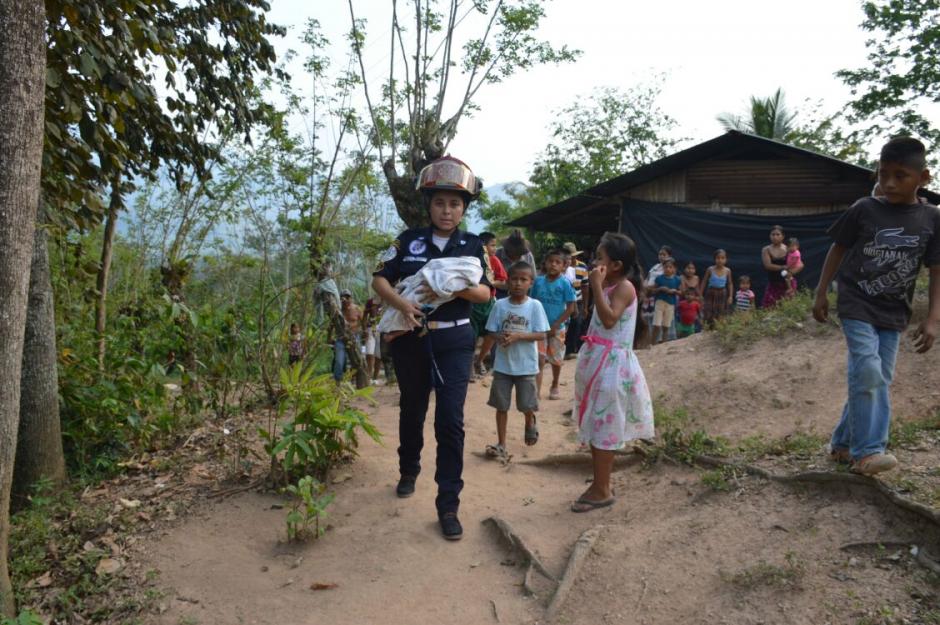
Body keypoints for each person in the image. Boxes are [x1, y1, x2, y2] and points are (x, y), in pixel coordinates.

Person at [371, 155, 491, 541]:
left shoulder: (472, 245)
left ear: (464, 208)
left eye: (455, 203)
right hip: (411, 339)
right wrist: (403, 304)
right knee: (412, 409)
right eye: (440, 202)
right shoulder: (408, 241)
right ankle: (408, 469)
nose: (447, 210)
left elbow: (486, 293)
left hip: (455, 341)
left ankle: (448, 504)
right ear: (429, 204)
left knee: (450, 421)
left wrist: (450, 285)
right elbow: (379, 279)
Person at [813, 137, 940, 476]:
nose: (889, 183)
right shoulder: (864, 209)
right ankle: (868, 451)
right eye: (883, 174)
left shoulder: (932, 218)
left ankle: (842, 443)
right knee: (868, 369)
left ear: (923, 178)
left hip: (894, 311)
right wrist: (821, 292)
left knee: (877, 376)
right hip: (856, 302)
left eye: (900, 175)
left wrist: (933, 318)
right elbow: (838, 249)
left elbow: (936, 270)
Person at [572, 232, 653, 512]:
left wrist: (595, 285)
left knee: (605, 427)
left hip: (612, 370)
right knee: (597, 424)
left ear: (616, 265)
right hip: (600, 364)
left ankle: (602, 489)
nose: (595, 263)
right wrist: (598, 286)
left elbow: (609, 321)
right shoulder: (610, 285)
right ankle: (600, 481)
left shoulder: (625, 287)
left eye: (600, 258)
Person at [476, 261, 549, 460]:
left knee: (526, 405)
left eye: (523, 279)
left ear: (531, 283)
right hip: (503, 366)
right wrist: (500, 337)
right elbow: (490, 331)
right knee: (502, 406)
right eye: (514, 279)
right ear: (507, 281)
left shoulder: (534, 306)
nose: (518, 283)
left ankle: (529, 421)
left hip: (526, 366)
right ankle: (501, 444)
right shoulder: (500, 305)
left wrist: (518, 336)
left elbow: (541, 334)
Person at [530, 248, 577, 400]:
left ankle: (555, 383)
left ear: (564, 266)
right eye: (551, 261)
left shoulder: (565, 283)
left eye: (558, 262)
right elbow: (532, 303)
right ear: (545, 263)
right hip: (539, 328)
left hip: (557, 329)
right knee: (539, 358)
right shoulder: (538, 282)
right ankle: (536, 391)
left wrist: (555, 325)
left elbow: (570, 308)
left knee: (556, 360)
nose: (553, 265)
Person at [470, 232, 507, 376]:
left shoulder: (494, 260)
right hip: (472, 303)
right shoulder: (473, 259)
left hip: (489, 302)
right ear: (483, 246)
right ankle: (469, 366)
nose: (495, 248)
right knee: (471, 335)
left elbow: (503, 281)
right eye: (492, 245)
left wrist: (490, 283)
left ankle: (479, 360)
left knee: (491, 333)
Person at [761, 225, 801, 307]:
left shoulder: (789, 249)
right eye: (773, 234)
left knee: (788, 308)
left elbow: (800, 264)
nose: (775, 237)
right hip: (773, 284)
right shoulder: (766, 250)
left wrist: (791, 272)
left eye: (778, 234)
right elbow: (768, 265)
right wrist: (783, 267)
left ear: (783, 236)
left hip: (788, 285)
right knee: (769, 308)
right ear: (770, 236)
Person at [563, 242, 590, 359]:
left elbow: (585, 287)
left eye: (574, 256)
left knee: (576, 323)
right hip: (563, 301)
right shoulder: (561, 267)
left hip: (578, 300)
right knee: (564, 325)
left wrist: (585, 306)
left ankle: (570, 350)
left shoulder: (582, 266)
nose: (572, 259)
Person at [330, 289, 363, 382]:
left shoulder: (357, 309)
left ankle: (354, 378)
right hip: (341, 338)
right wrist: (329, 337)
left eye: (348, 297)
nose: (345, 300)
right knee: (339, 361)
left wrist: (365, 332)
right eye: (343, 297)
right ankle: (338, 381)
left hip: (354, 337)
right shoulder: (337, 311)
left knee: (356, 359)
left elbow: (363, 321)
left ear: (351, 298)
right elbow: (331, 325)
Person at [495, 230, 536, 298]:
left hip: (522, 293)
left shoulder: (528, 255)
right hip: (500, 292)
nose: (517, 255)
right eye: (514, 252)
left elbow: (533, 277)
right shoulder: (497, 254)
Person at [700, 249, 733, 327]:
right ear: (714, 259)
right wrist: (700, 294)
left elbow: (730, 283)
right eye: (718, 258)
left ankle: (718, 328)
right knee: (708, 310)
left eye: (722, 258)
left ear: (726, 259)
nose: (720, 260)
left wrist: (730, 296)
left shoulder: (727, 271)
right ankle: (708, 327)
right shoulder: (710, 269)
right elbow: (704, 281)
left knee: (720, 311)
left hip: (722, 293)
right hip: (711, 292)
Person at [652, 257, 681, 344]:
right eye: (666, 267)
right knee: (657, 325)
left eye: (670, 267)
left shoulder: (677, 280)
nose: (668, 269)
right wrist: (660, 289)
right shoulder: (659, 279)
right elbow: (653, 291)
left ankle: (663, 345)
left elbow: (681, 292)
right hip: (659, 303)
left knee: (666, 326)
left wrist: (675, 291)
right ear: (663, 268)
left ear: (674, 269)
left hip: (670, 304)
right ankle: (652, 344)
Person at [362, 299, 383, 383]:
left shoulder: (386, 301)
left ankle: (375, 378)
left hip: (382, 329)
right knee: (369, 354)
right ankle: (369, 377)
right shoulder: (370, 301)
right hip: (370, 329)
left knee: (379, 355)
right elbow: (364, 316)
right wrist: (364, 330)